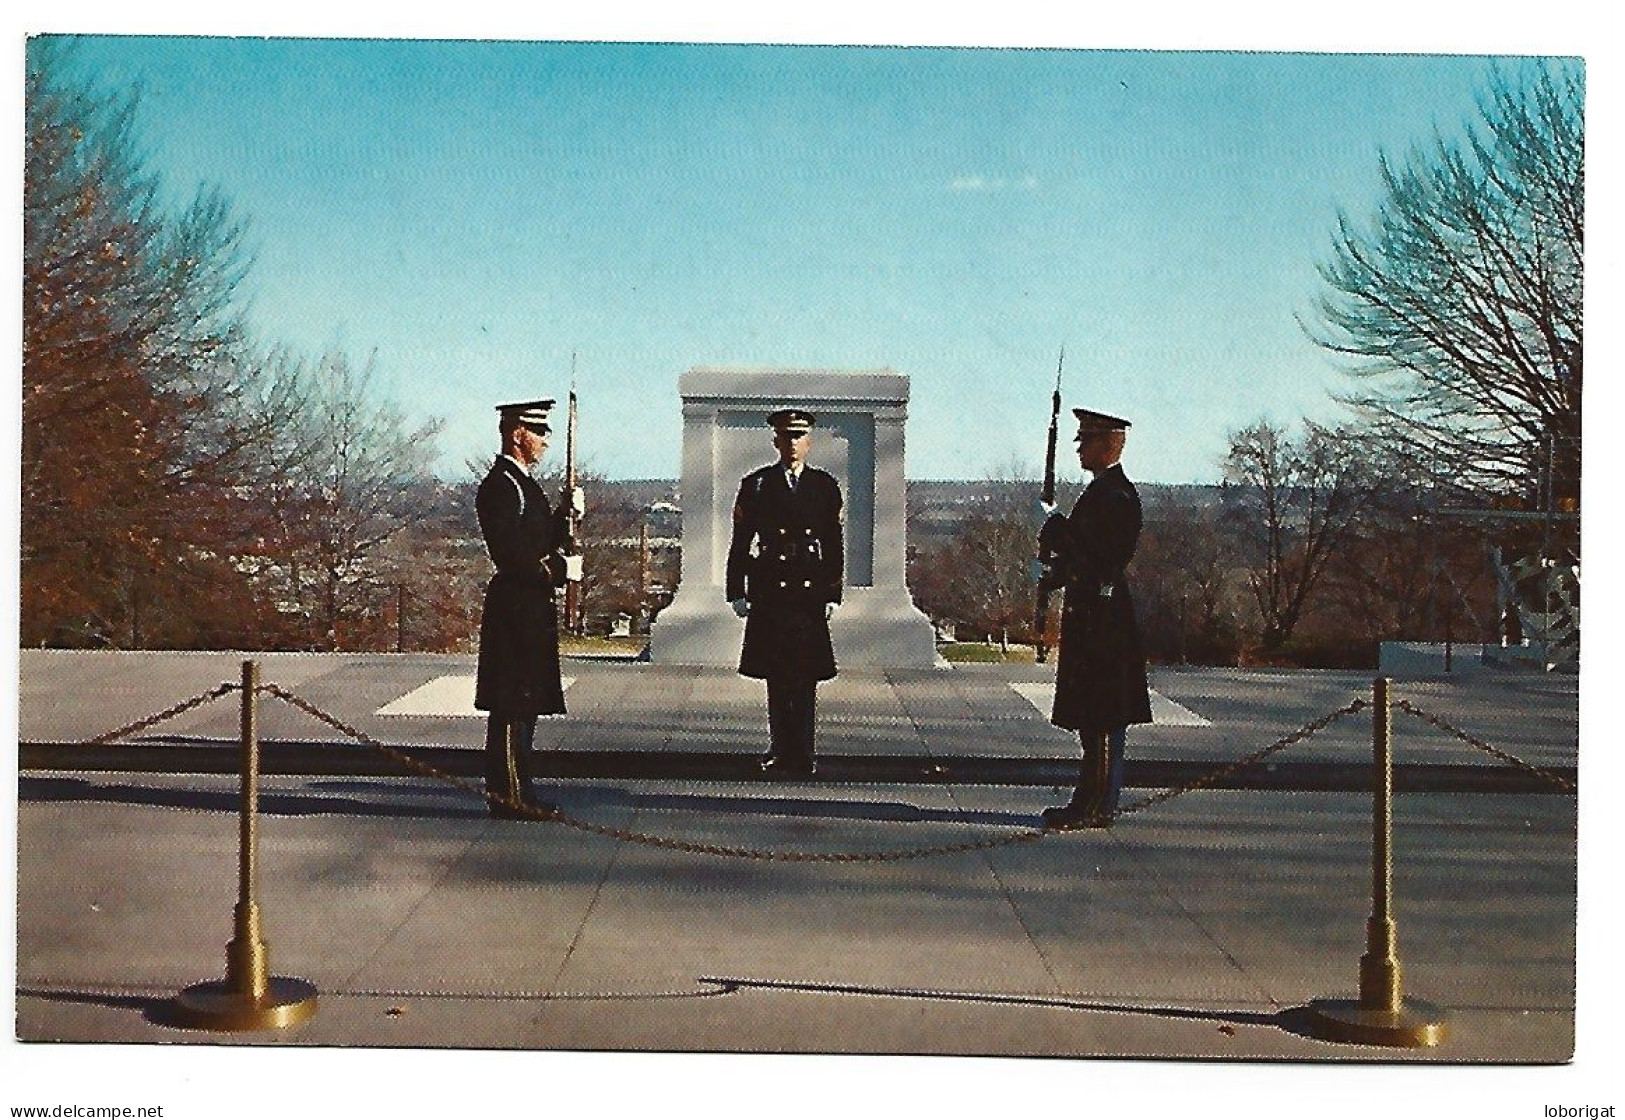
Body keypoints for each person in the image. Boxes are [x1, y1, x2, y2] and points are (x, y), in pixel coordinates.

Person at [1032, 407, 1153, 829]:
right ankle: (1089, 801)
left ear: (1109, 444)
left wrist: (1056, 528)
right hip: (1093, 617)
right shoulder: (1101, 493)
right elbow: (1079, 557)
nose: (1080, 449)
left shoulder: (1115, 497)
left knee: (1102, 719)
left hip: (1104, 621)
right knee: (1093, 720)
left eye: (1086, 441)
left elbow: (1101, 559)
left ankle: (1097, 805)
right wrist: (1052, 572)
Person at [473, 399, 585, 819]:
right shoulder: (501, 486)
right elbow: (513, 555)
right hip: (514, 609)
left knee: (525, 705)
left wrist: (564, 515)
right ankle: (509, 795)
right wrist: (560, 568)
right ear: (518, 433)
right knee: (511, 707)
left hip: (529, 607)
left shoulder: (522, 483)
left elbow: (536, 536)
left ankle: (518, 789)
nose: (544, 441)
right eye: (538, 432)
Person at [726, 408, 844, 777]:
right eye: (785, 437)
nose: (792, 444)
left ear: (809, 442)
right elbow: (741, 542)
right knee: (777, 676)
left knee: (805, 676)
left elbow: (833, 543)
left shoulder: (824, 486)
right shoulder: (757, 485)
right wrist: (736, 589)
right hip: (771, 588)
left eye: (798, 437)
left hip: (808, 591)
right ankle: (780, 748)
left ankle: (804, 752)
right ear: (775, 441)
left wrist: (832, 592)